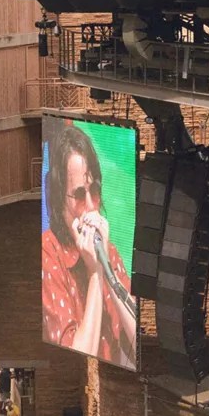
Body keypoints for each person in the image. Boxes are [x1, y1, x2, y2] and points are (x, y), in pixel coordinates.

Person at [37, 127, 136, 369]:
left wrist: (104, 266)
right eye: (80, 194)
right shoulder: (48, 253)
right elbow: (78, 359)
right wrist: (94, 275)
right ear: (60, 200)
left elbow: (138, 340)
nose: (91, 206)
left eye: (95, 191)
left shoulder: (108, 251)